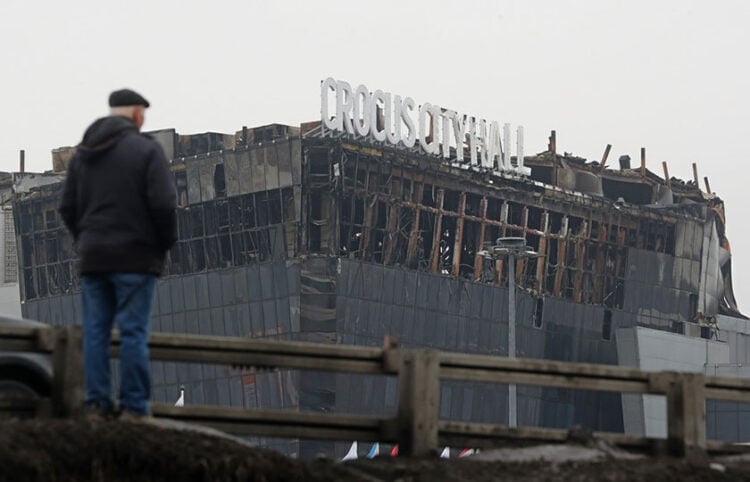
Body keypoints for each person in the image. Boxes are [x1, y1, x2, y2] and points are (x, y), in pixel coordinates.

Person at [58, 88, 177, 417]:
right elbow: (165, 205)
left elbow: (67, 207)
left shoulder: (83, 153)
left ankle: (96, 402)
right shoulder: (146, 151)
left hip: (93, 258)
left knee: (95, 332)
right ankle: (135, 407)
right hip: (136, 259)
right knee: (133, 332)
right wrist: (163, 244)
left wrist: (85, 239)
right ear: (136, 113)